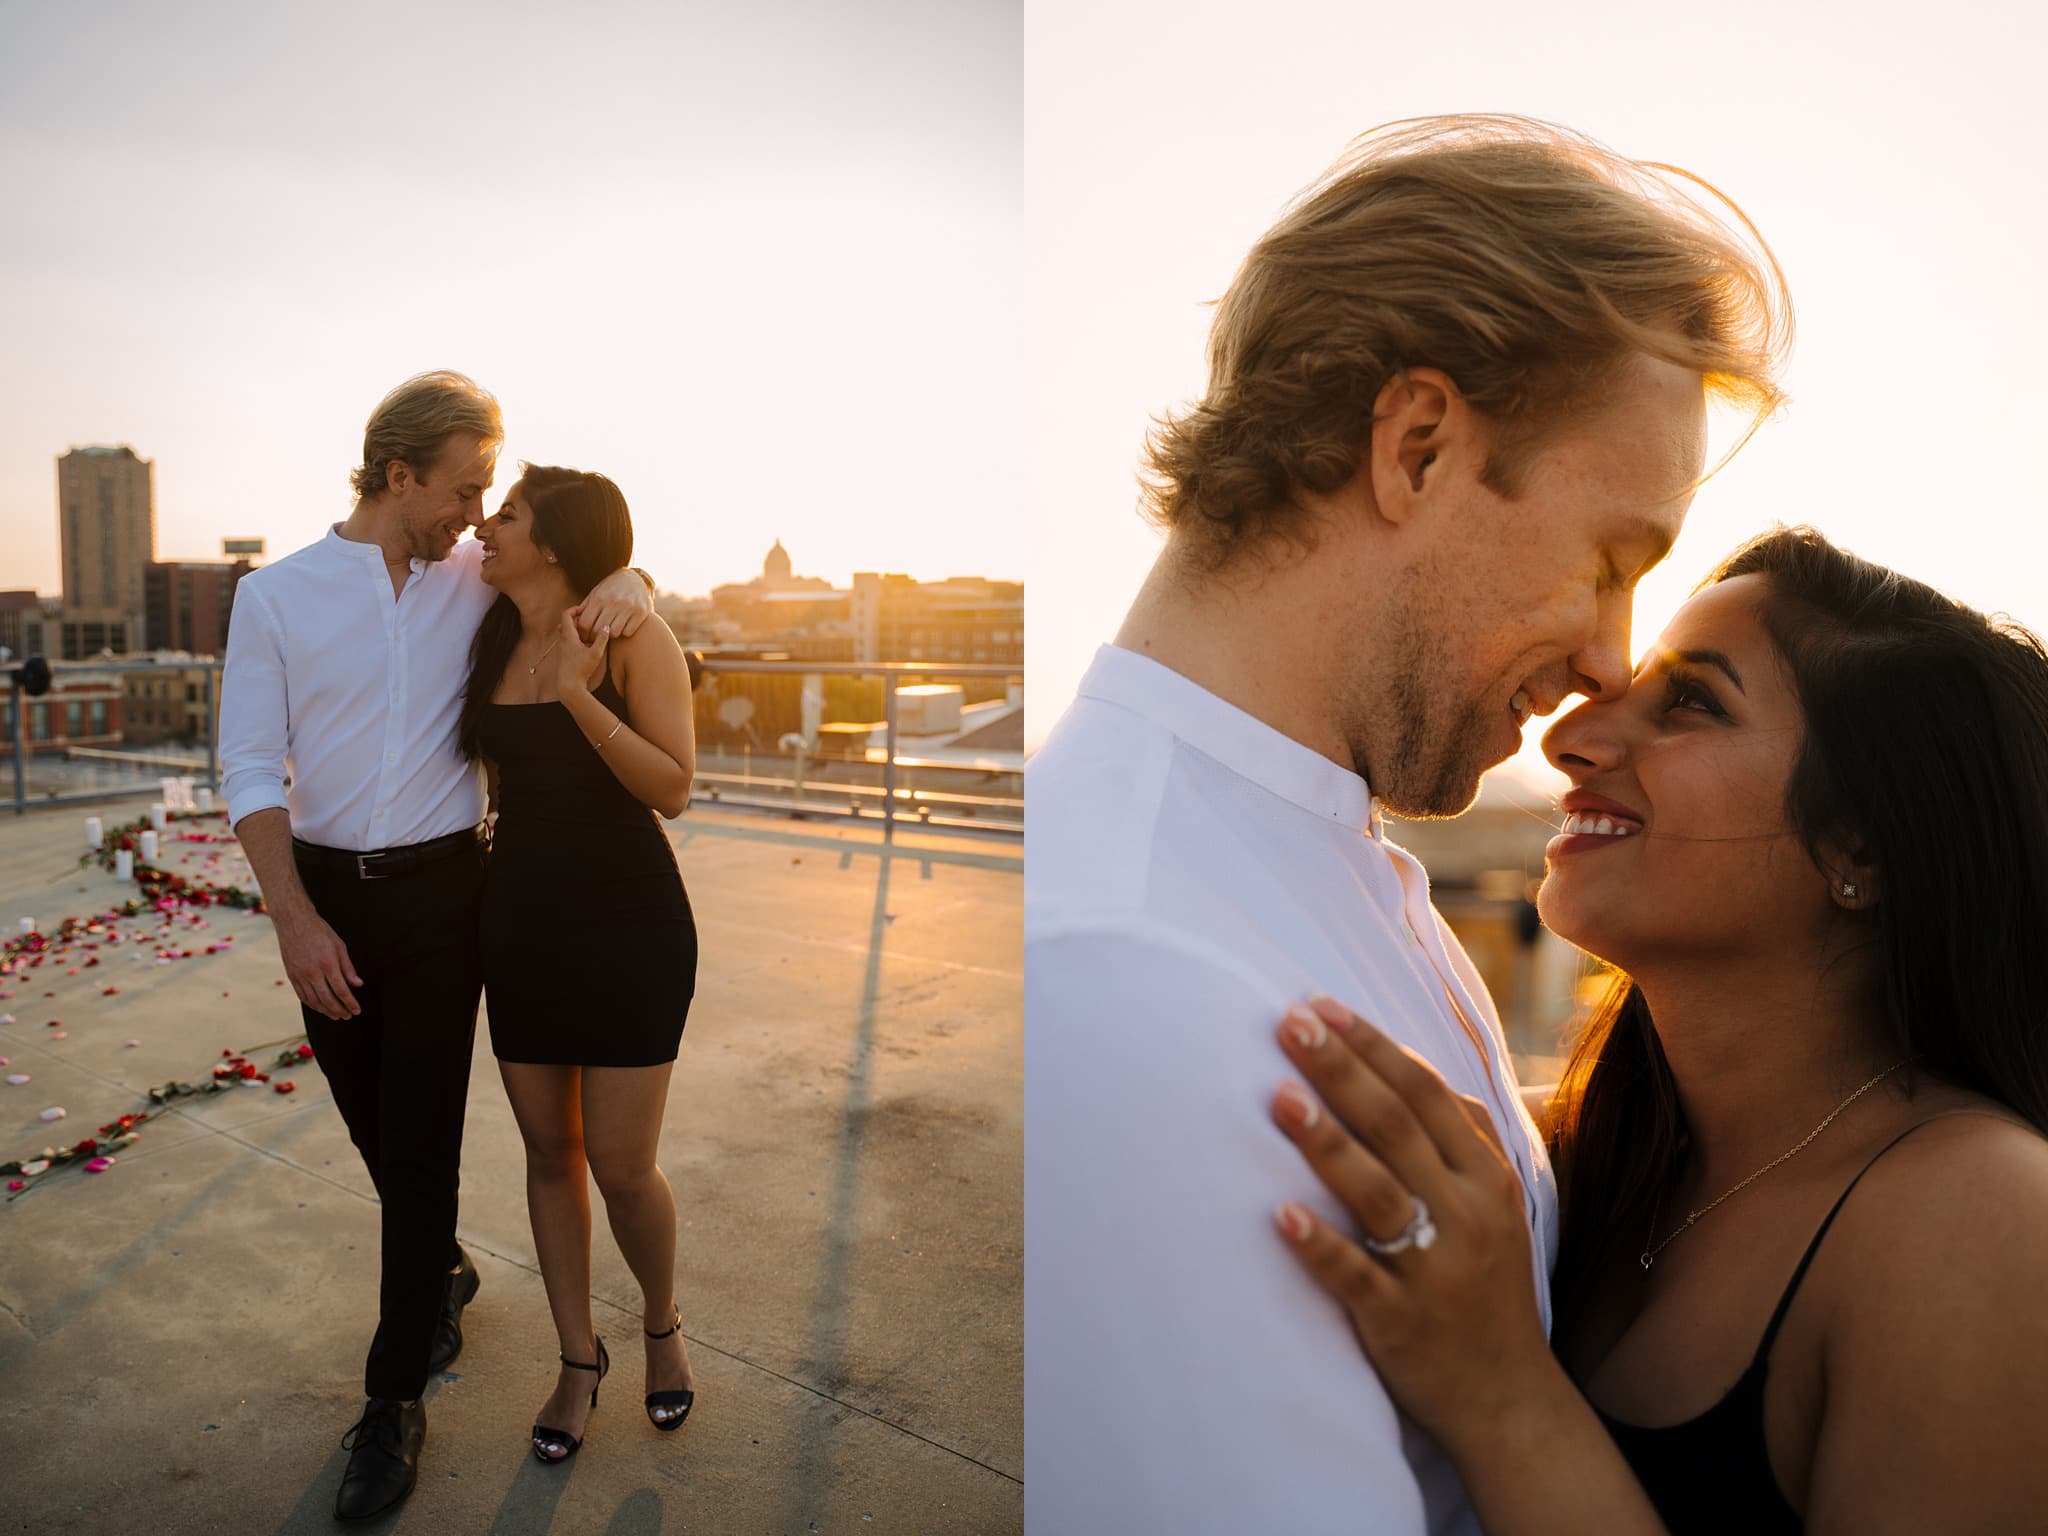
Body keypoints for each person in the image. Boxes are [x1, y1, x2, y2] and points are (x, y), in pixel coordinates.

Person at [1024, 115, 1792, 1532]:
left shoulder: (1305, 865)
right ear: (1420, 445)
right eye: (1612, 558)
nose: (1615, 661)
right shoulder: (1133, 987)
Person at [1266, 526, 2048, 1532]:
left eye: (1690, 703)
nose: (1567, 738)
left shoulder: (1986, 1223)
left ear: (1859, 846)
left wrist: (1497, 1389)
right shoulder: (1581, 1158)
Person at [219, 372, 655, 1522]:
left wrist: (632, 574)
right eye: (462, 490)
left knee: (417, 1155)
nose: (476, 513)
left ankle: (391, 1400)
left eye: (484, 496)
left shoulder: (480, 584)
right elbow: (250, 770)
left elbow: (594, 565)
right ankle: (443, 1273)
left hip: (448, 898)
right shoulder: (274, 597)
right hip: (324, 899)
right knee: (374, 1132)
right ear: (398, 475)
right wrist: (294, 920)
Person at [458, 465, 700, 1462]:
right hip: (519, 924)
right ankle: (575, 1360)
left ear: (554, 541)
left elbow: (675, 787)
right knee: (548, 1157)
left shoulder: (634, 637)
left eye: (505, 514)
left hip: (629, 925)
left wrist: (577, 700)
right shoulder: (479, 631)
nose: (485, 523)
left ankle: (660, 1325)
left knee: (620, 1163)